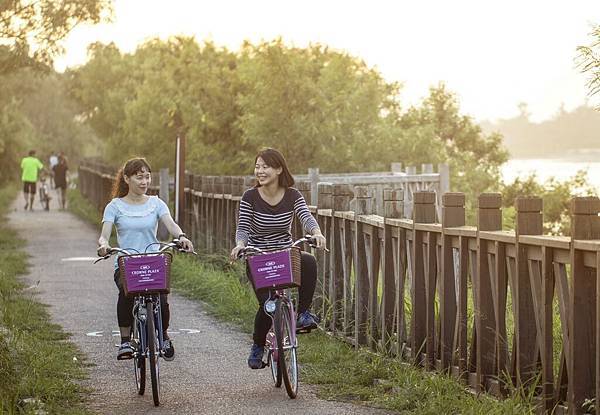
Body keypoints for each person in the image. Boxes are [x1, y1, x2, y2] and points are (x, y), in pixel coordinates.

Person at [230, 148, 326, 369]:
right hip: (258, 257)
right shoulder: (250, 197)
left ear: (279, 169)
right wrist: (241, 245)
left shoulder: (293, 195)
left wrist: (317, 233)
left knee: (309, 261)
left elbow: (306, 217)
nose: (260, 171)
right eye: (257, 166)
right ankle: (257, 345)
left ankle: (302, 313)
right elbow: (243, 227)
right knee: (268, 305)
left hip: (285, 256)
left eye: (265, 166)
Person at [97, 157, 193, 361]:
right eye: (139, 177)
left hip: (153, 263)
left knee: (162, 299)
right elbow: (104, 233)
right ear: (126, 178)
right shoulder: (115, 206)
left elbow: (171, 224)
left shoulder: (156, 203)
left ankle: (163, 336)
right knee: (126, 295)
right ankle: (125, 341)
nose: (144, 182)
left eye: (147, 177)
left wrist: (181, 237)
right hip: (126, 264)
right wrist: (103, 245)